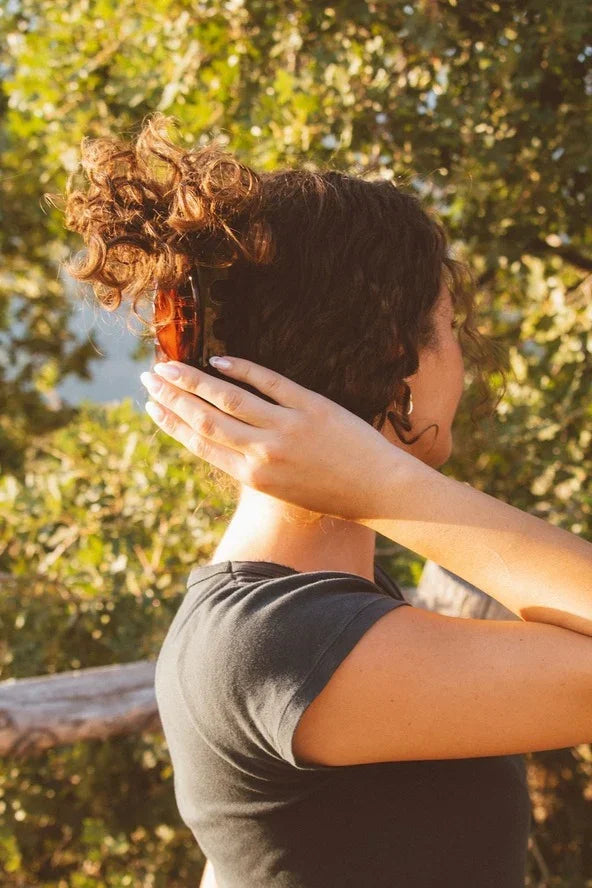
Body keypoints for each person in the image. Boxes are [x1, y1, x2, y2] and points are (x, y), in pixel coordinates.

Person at [60, 113, 591, 888]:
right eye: (449, 328)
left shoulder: (309, 612)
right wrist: (389, 484)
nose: (465, 365)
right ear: (392, 360)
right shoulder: (275, 636)